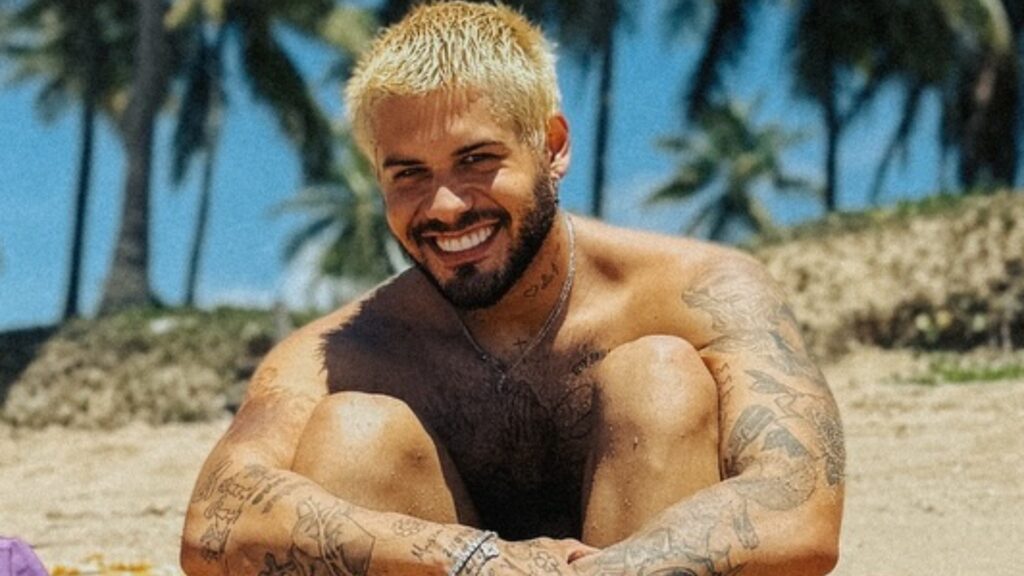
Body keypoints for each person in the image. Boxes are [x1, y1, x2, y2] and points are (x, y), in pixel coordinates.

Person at [180, 2, 845, 575]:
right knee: (355, 430)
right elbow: (214, 524)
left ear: (552, 146)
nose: (444, 206)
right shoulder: (346, 351)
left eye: (477, 160)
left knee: (659, 377)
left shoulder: (702, 290)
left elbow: (801, 511)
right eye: (409, 174)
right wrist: (480, 561)